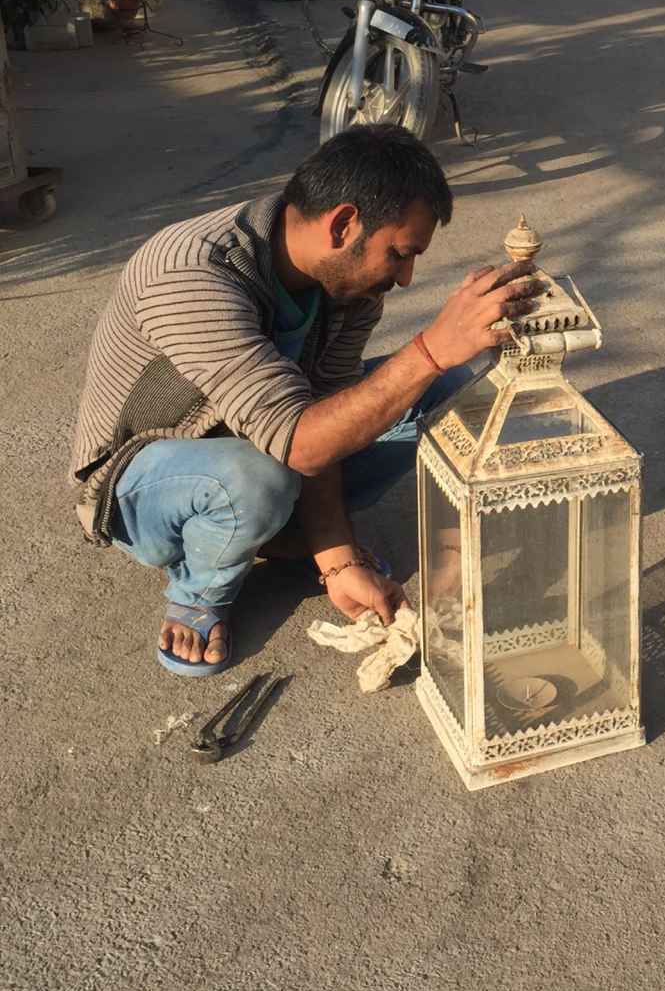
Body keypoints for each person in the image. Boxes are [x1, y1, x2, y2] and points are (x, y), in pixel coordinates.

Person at [70, 125, 538, 677]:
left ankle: (284, 534)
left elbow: (328, 405)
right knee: (261, 474)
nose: (407, 278)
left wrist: (337, 560)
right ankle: (198, 591)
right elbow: (304, 444)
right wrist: (430, 348)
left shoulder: (346, 283)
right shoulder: (190, 272)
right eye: (400, 254)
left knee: (436, 394)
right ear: (343, 224)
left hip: (272, 435)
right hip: (141, 481)